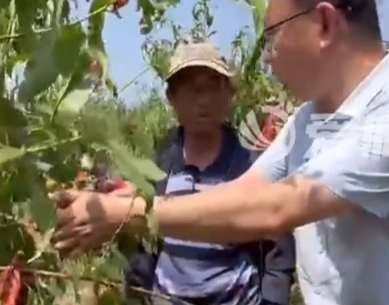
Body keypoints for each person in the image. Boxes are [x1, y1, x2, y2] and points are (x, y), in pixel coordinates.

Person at [51, 0, 389, 305]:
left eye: (273, 34)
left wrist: (126, 213)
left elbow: (279, 206)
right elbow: (246, 192)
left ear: (324, 23)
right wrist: (117, 208)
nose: (269, 55)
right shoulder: (308, 122)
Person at [105, 42, 295, 305]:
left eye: (212, 87)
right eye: (191, 89)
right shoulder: (158, 165)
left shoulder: (251, 167)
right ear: (172, 97)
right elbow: (141, 242)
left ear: (229, 95)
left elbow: (277, 251)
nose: (202, 100)